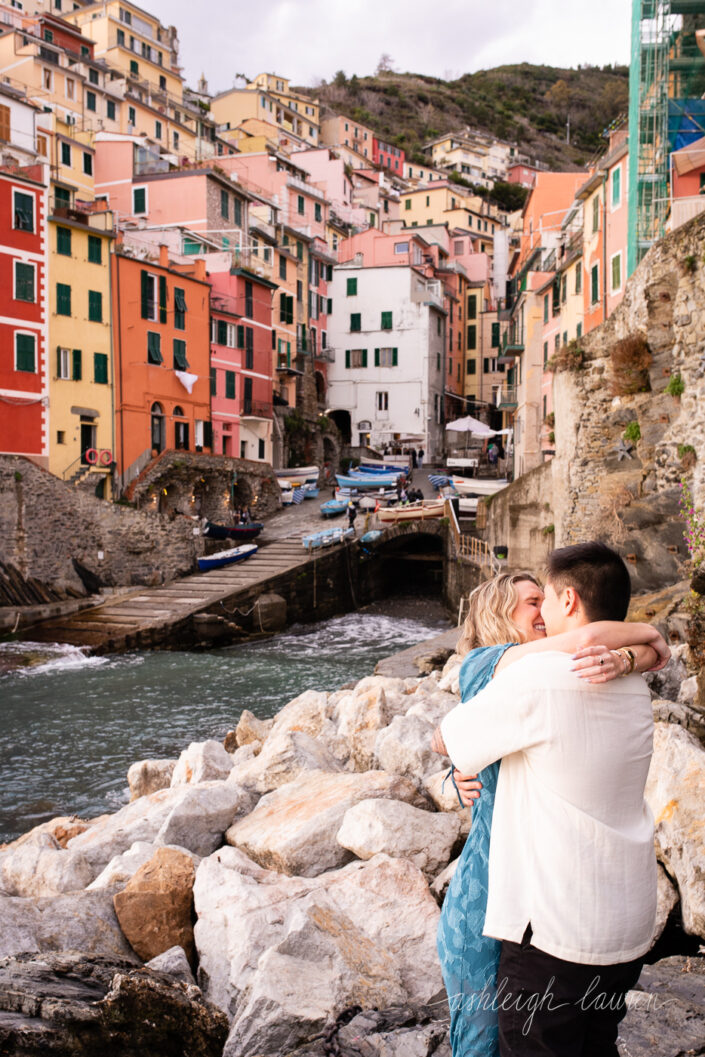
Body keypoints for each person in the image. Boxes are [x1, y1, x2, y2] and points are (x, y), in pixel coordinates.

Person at [436, 544, 665, 1057]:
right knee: (594, 1046)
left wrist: (453, 755)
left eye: (545, 598)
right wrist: (645, 644)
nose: (540, 612)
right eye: (527, 603)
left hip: (554, 930)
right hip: (623, 930)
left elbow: (451, 737)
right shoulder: (629, 680)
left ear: (568, 600)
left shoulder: (536, 678)